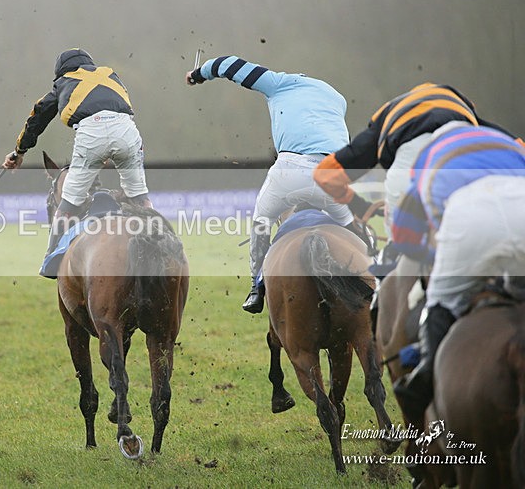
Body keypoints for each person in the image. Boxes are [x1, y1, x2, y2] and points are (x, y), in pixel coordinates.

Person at [186, 55, 362, 314]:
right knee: (353, 227)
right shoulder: (337, 98)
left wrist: (198, 74)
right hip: (333, 173)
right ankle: (375, 276)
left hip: (290, 171)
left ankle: (257, 287)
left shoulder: (279, 82)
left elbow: (230, 64)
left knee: (261, 221)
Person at [389, 121, 525, 423]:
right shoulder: (508, 142)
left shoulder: (427, 158)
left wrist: (439, 261)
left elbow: (405, 236)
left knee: (440, 301)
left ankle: (423, 378)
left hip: (470, 215)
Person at [1, 48, 152, 271]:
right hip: (127, 130)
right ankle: (162, 243)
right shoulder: (110, 74)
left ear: (61, 71)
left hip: (91, 133)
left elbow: (38, 115)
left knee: (68, 204)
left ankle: (50, 259)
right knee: (140, 197)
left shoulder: (64, 81)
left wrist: (19, 151)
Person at [313, 82, 515, 239]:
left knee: (397, 257)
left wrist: (357, 204)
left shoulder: (387, 117)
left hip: (408, 161)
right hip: (463, 159)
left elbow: (326, 175)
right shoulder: (470, 117)